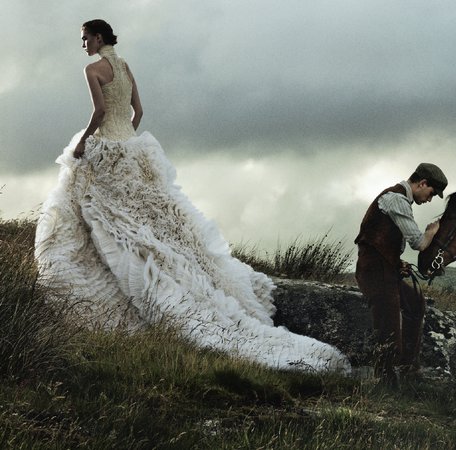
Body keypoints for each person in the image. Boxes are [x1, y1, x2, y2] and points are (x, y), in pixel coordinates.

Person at [34, 19, 350, 374]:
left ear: (98, 37)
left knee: (106, 217)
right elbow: (138, 112)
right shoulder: (124, 67)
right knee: (150, 220)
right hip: (132, 148)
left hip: (106, 147)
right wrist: (126, 140)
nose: (83, 45)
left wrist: (83, 141)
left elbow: (100, 112)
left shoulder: (93, 69)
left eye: (85, 39)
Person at [354, 163, 447, 384]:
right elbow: (418, 243)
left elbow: (382, 240)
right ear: (422, 183)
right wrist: (431, 232)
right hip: (375, 269)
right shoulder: (396, 199)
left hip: (384, 266)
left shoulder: (398, 199)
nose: (429, 199)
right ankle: (385, 377)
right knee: (388, 321)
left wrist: (396, 262)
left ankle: (407, 368)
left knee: (416, 304)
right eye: (431, 193)